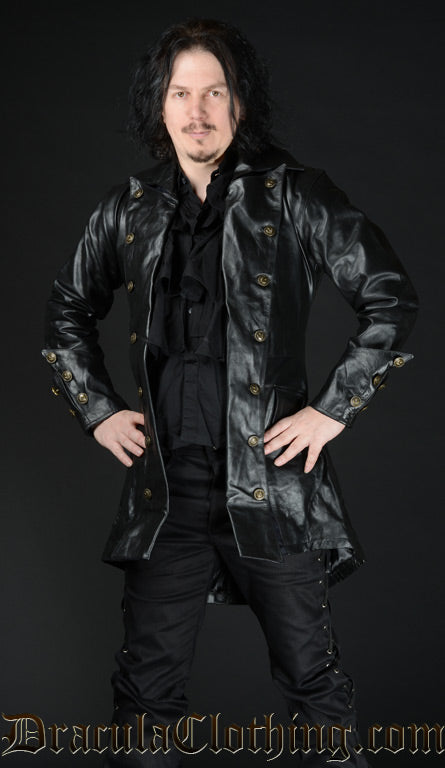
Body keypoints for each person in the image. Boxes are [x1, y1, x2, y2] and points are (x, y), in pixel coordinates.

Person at [41, 17, 418, 767]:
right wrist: (98, 410)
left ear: (240, 103)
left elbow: (390, 298)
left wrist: (330, 411)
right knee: (144, 696)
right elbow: (66, 313)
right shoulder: (129, 207)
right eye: (181, 93)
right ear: (160, 106)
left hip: (273, 484)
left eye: (214, 92)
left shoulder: (296, 195)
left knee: (314, 683)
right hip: (167, 492)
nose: (197, 111)